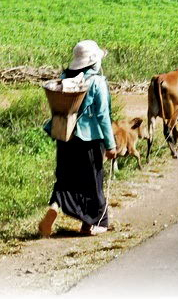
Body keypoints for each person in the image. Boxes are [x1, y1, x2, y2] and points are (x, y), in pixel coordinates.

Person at [39, 40, 117, 237]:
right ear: (93, 63)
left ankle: (55, 207)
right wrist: (110, 144)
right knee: (93, 182)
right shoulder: (97, 82)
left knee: (65, 179)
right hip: (88, 139)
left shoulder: (65, 78)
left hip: (65, 136)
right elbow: (102, 116)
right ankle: (94, 223)